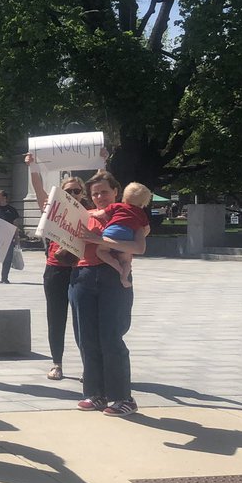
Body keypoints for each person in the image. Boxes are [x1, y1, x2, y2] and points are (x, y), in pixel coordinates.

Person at [69, 170, 149, 416]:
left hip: (113, 278)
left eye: (104, 192)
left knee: (111, 337)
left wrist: (99, 239)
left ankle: (123, 397)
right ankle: (95, 394)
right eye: (95, 194)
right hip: (82, 276)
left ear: (116, 191)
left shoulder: (129, 213)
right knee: (86, 338)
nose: (100, 197)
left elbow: (139, 246)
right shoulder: (85, 215)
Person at [26, 154, 91, 382]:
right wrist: (33, 165)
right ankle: (57, 363)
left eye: (76, 191)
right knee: (56, 317)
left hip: (80, 269)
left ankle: (88, 366)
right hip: (54, 269)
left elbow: (107, 187)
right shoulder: (52, 208)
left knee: (82, 320)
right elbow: (38, 187)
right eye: (68, 191)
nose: (72, 195)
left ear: (83, 193)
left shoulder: (89, 213)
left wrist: (104, 161)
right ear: (61, 193)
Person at [91, 182, 152, 289]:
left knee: (101, 251)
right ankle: (124, 276)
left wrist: (92, 214)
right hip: (127, 237)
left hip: (111, 234)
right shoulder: (141, 213)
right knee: (126, 260)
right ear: (142, 204)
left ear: (124, 197)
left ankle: (116, 266)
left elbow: (101, 214)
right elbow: (146, 229)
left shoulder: (117, 206)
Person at [0, 190, 21, 283]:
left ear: (4, 198)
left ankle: (4, 278)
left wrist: (17, 239)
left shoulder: (12, 210)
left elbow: (15, 226)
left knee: (7, 259)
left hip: (8, 239)